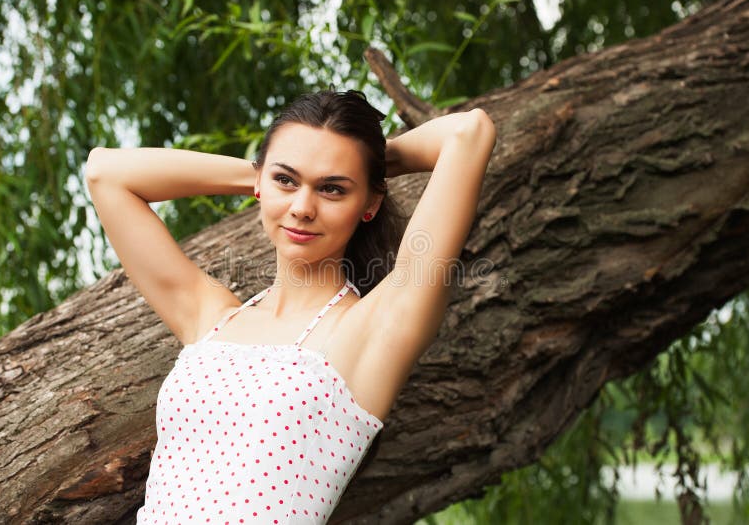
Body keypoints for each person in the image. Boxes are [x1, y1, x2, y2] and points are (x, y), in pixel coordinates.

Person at [85, 88, 496, 524]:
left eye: (332, 189)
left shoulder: (372, 331)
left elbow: (469, 134)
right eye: (287, 181)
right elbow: (105, 173)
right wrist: (264, 173)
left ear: (370, 203)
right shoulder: (212, 319)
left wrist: (369, 160)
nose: (302, 207)